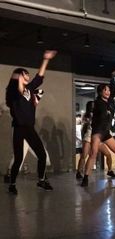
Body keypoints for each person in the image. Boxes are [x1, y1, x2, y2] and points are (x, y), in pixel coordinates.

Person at [6, 50, 57, 194]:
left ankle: (41, 180)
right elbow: (14, 95)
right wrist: (17, 77)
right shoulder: (13, 93)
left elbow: (39, 77)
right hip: (19, 129)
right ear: (18, 77)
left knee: (42, 155)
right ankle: (12, 184)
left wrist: (45, 59)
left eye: (28, 74)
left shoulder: (29, 89)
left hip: (29, 128)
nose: (27, 76)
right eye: (24, 74)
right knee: (18, 159)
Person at [81, 71, 115, 187]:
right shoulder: (97, 103)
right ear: (100, 92)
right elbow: (94, 119)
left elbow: (113, 88)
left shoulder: (110, 101)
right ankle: (86, 178)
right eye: (105, 90)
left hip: (106, 133)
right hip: (97, 132)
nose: (108, 92)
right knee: (93, 154)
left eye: (108, 90)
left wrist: (112, 78)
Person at [76, 101, 115, 180]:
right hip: (88, 137)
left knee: (108, 154)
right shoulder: (87, 115)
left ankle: (110, 170)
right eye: (94, 105)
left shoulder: (99, 113)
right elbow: (85, 126)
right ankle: (79, 172)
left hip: (98, 137)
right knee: (84, 155)